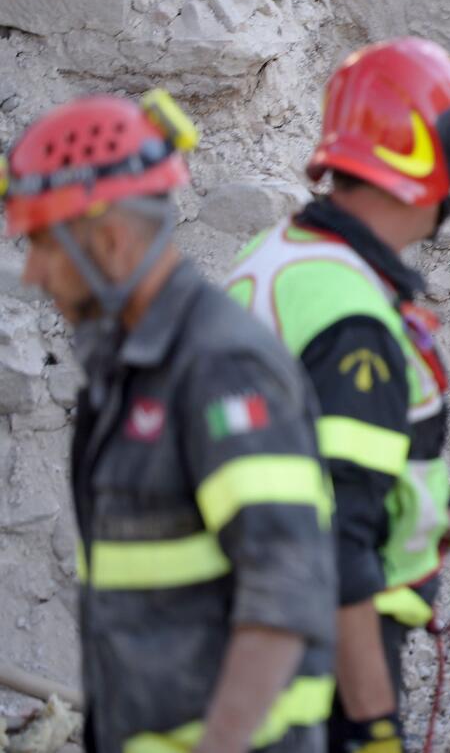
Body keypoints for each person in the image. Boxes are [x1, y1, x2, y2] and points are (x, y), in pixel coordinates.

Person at [1, 92, 336, 752]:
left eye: (43, 244)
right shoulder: (127, 376)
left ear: (112, 239)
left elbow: (283, 600)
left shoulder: (220, 367)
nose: (33, 271)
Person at [224, 39, 450, 752]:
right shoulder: (353, 321)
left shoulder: (279, 254)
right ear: (427, 169)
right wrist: (374, 721)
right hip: (321, 650)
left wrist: (430, 501)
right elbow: (337, 542)